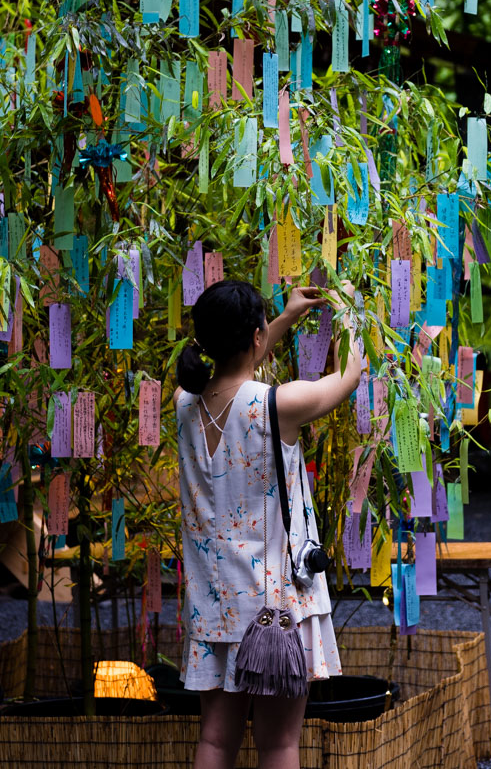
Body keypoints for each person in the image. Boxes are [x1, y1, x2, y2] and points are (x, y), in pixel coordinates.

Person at [174, 277, 363, 769]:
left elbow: (232, 365)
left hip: (212, 607)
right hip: (272, 610)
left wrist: (280, 320)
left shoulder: (183, 403)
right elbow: (350, 373)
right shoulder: (277, 404)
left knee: (215, 742)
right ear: (255, 337)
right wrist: (348, 307)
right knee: (279, 746)